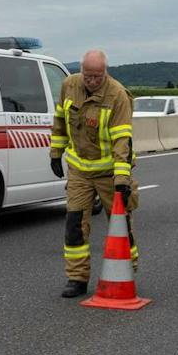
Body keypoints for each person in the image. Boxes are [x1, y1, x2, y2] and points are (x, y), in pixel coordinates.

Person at [49, 50, 138, 298]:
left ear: (105, 72)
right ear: (81, 71)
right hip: (79, 170)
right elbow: (59, 120)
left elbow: (123, 140)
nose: (92, 81)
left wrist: (121, 180)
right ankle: (76, 278)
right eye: (88, 76)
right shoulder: (70, 85)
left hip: (110, 173)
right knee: (74, 224)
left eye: (97, 76)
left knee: (120, 224)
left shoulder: (117, 95)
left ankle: (127, 272)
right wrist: (55, 152)